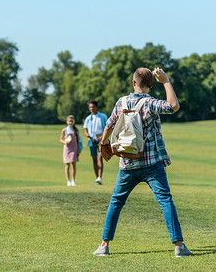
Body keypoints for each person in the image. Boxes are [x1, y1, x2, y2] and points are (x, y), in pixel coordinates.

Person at [93, 67, 192, 257]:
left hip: (127, 164)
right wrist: (166, 81)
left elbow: (109, 125)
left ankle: (104, 245)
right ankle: (179, 246)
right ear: (150, 85)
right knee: (165, 201)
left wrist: (103, 143)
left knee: (116, 202)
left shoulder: (121, 101)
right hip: (152, 164)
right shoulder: (150, 103)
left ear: (133, 83)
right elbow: (173, 105)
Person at [83, 100, 108, 185]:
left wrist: (102, 137)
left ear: (96, 107)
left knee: (99, 158)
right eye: (90, 107)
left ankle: (100, 177)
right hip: (91, 141)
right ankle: (97, 178)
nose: (91, 109)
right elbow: (85, 130)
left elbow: (107, 128)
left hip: (101, 141)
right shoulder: (88, 118)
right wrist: (88, 135)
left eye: (93, 107)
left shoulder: (103, 116)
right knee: (94, 160)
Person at [60, 115, 81, 186]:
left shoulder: (76, 130)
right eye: (69, 121)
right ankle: (68, 181)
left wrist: (78, 150)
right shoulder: (64, 130)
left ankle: (73, 180)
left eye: (72, 121)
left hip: (74, 149)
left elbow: (78, 141)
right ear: (67, 122)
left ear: (74, 121)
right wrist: (65, 142)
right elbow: (61, 139)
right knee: (67, 165)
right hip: (67, 149)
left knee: (73, 165)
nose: (70, 122)